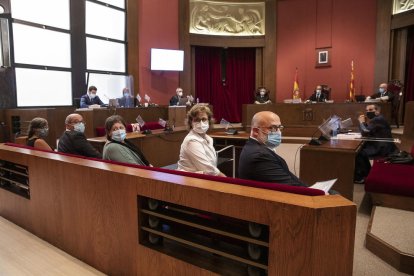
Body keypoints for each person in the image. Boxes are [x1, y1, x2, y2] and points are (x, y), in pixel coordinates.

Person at [238, 111, 307, 186]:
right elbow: (289, 186)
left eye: (279, 127)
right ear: (256, 131)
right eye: (273, 128)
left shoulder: (254, 147)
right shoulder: (260, 155)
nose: (278, 132)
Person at [177, 104, 226, 176]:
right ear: (191, 122)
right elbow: (208, 169)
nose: (201, 123)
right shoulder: (191, 141)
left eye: (203, 119)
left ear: (209, 121)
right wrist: (225, 178)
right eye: (197, 120)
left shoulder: (208, 138)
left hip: (203, 179)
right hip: (190, 182)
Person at [354, 104, 398, 183]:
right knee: (360, 150)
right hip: (381, 144)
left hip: (382, 148)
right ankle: (367, 173)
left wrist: (361, 122)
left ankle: (361, 177)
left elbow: (365, 132)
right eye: (367, 110)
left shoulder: (377, 119)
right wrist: (364, 124)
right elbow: (370, 130)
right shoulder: (378, 118)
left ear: (377, 111)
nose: (368, 112)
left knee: (359, 152)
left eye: (371, 110)